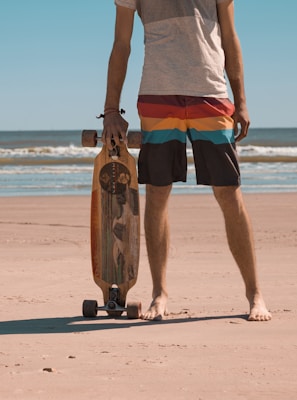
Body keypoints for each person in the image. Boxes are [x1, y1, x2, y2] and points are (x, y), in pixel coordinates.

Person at [101, 0, 272, 321]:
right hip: (157, 94)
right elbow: (121, 45)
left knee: (228, 192)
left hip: (210, 92)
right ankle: (159, 294)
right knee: (157, 193)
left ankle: (255, 294)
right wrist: (111, 110)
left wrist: (242, 100)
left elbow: (230, 37)